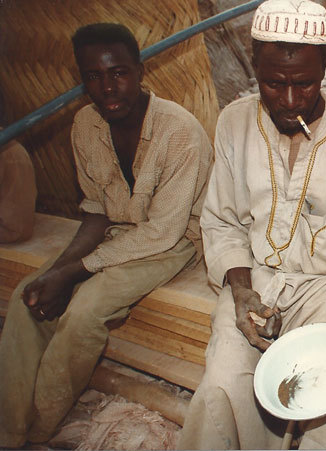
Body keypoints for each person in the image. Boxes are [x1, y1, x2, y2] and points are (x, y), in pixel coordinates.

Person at [179, 0, 326, 448]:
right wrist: (241, 291)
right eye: (272, 83)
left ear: (325, 66)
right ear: (255, 66)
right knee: (222, 387)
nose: (289, 100)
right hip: (255, 280)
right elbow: (221, 222)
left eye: (304, 84)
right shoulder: (233, 122)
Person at [0, 22, 213, 447]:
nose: (108, 88)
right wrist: (58, 271)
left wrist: (75, 273)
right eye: (94, 76)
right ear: (82, 80)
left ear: (138, 70)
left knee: (83, 314)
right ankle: (8, 429)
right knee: (30, 294)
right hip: (118, 232)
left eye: (118, 72)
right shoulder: (86, 126)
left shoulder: (180, 132)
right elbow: (96, 212)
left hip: (177, 242)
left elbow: (161, 234)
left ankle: (39, 430)